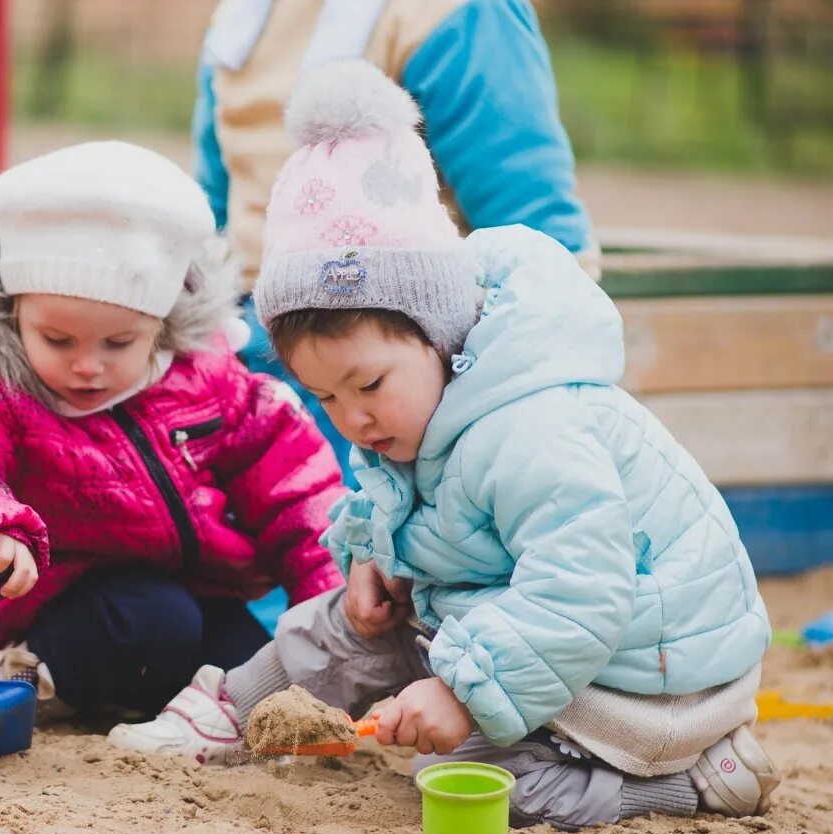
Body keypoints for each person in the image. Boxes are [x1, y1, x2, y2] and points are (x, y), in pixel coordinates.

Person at [110, 61, 780, 828]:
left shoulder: (531, 428)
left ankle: (695, 782)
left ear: (440, 335)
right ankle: (231, 708)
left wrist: (462, 692)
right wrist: (374, 562)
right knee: (350, 622)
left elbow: (582, 590)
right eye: (325, 396)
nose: (352, 418)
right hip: (517, 627)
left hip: (646, 681)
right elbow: (432, 518)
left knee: (471, 778)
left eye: (368, 385)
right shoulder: (422, 408)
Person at [0, 141, 344, 723]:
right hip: (66, 605)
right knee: (150, 620)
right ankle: (33, 671)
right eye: (58, 340)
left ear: (159, 323)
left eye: (118, 343)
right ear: (13, 311)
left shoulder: (207, 379)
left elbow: (295, 485)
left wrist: (331, 593)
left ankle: (150, 700)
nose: (87, 365)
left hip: (195, 590)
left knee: (249, 664)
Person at [195, 0, 602, 487]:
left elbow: (538, 234)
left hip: (401, 352)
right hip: (261, 351)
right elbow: (215, 218)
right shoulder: (241, 18)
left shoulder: (450, 14)